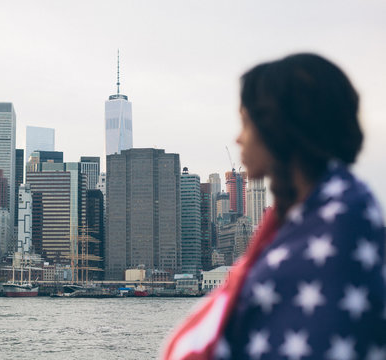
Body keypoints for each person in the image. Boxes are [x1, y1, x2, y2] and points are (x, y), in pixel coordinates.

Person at [162, 53, 386, 360]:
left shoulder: (340, 231)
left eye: (246, 122)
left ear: (279, 128)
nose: (238, 138)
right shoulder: (313, 217)